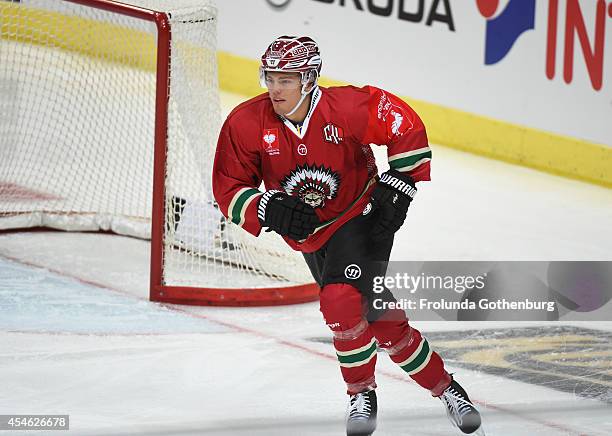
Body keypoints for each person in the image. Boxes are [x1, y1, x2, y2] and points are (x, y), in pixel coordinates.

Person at [212, 35, 483, 436]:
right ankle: (447, 389)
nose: (274, 87)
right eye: (270, 77)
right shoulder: (247, 121)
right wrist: (265, 206)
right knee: (378, 317)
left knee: (339, 300)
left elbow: (403, 124)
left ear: (309, 79)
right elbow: (230, 183)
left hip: (363, 217)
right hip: (312, 236)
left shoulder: (347, 107)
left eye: (286, 79)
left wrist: (401, 182)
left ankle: (361, 396)